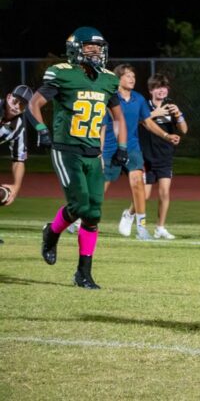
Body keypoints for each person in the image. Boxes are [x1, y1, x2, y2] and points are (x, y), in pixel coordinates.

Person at [30, 27, 128, 289]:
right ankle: (51, 233)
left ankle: (83, 273)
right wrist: (42, 130)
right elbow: (34, 103)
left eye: (99, 46)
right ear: (75, 48)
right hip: (66, 149)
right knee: (81, 206)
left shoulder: (108, 79)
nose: (95, 51)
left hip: (93, 152)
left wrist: (122, 146)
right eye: (89, 46)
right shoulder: (63, 73)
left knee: (93, 213)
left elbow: (119, 116)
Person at [109, 64, 180, 240]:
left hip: (132, 146)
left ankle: (141, 228)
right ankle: (80, 218)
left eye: (133, 76)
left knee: (138, 183)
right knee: (100, 187)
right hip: (110, 146)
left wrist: (166, 135)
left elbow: (147, 122)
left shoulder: (138, 99)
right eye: (128, 76)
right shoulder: (109, 98)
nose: (132, 79)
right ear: (119, 79)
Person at [139, 73, 189, 239]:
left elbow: (184, 130)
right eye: (157, 87)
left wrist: (179, 115)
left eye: (164, 87)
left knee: (164, 193)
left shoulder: (171, 106)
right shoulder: (144, 105)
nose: (161, 90)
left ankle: (160, 227)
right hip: (145, 156)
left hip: (164, 156)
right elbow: (137, 121)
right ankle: (131, 215)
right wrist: (155, 113)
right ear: (151, 90)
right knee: (144, 195)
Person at [0, 85, 34, 242]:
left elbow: (19, 160)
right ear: (8, 97)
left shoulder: (18, 126)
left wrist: (16, 187)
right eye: (15, 101)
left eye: (22, 104)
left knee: (3, 195)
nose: (16, 106)